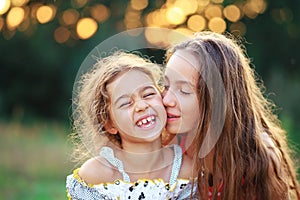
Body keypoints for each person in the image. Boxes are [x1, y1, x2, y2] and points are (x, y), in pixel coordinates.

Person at [162, 31, 300, 199]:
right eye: (166, 85)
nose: (166, 100)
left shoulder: (256, 159)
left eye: (183, 90)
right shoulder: (170, 146)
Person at [66, 51, 196, 200]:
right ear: (109, 124)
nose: (141, 106)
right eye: (126, 103)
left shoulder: (186, 171)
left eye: (148, 94)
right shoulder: (96, 175)